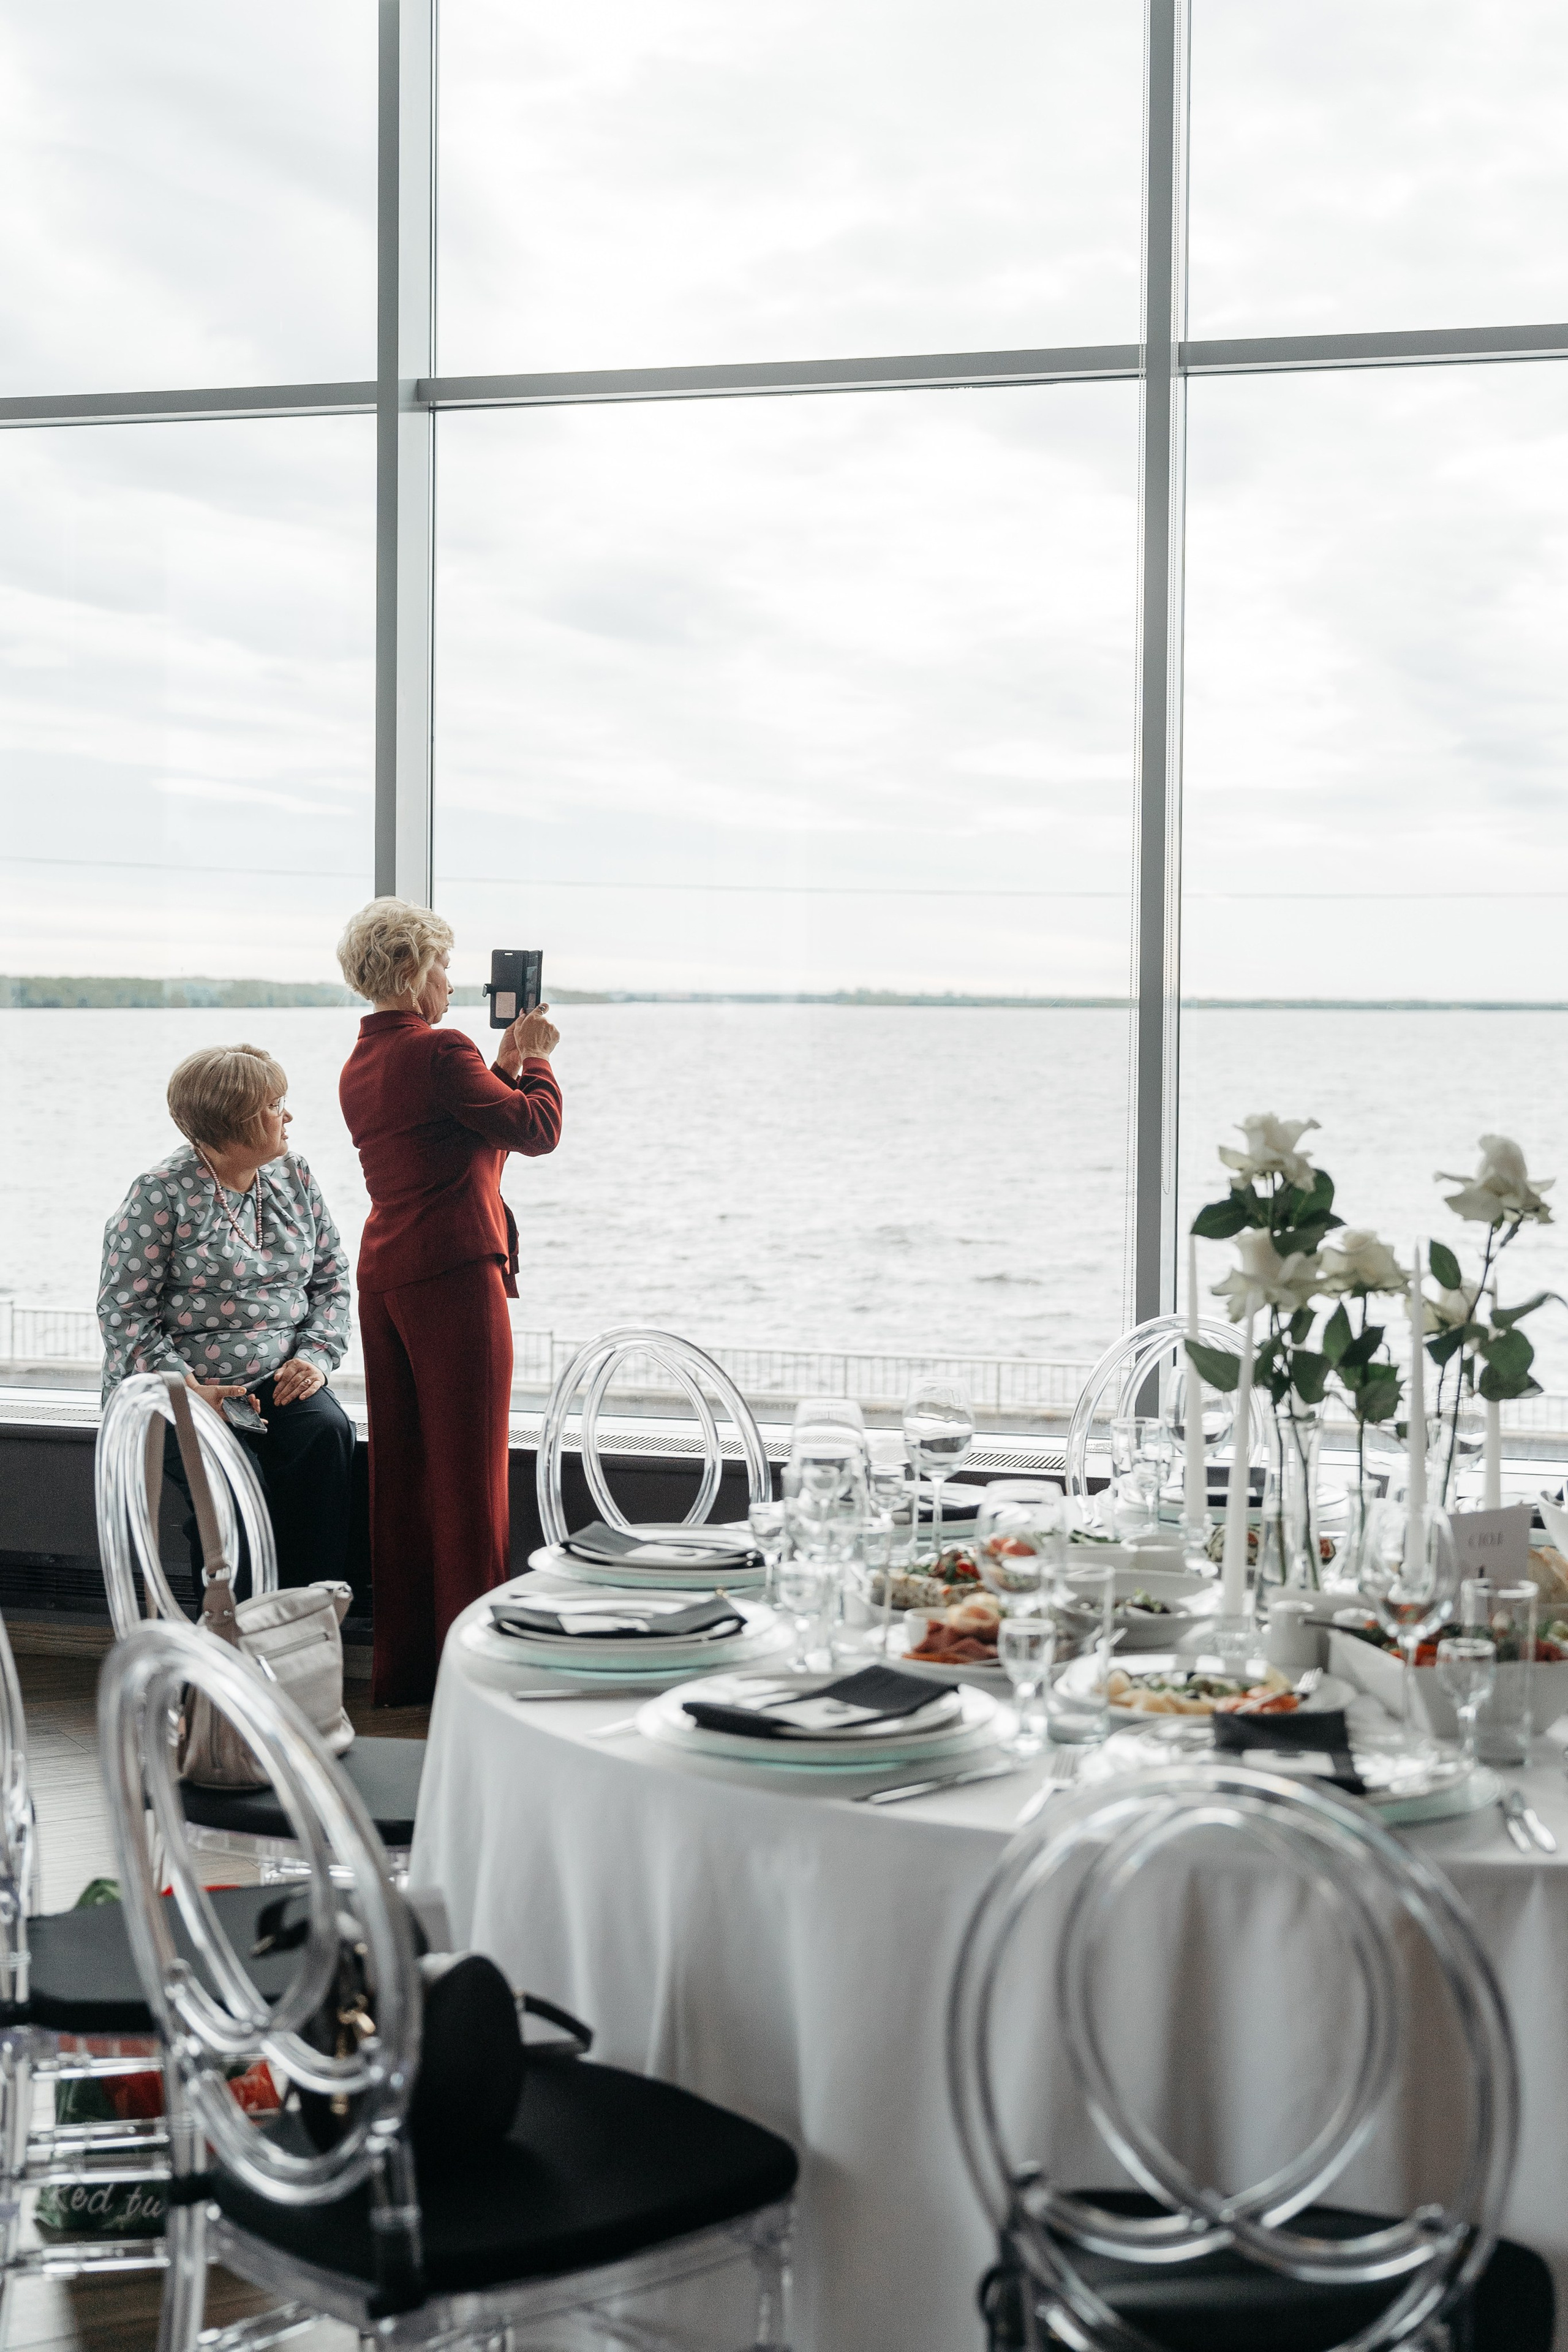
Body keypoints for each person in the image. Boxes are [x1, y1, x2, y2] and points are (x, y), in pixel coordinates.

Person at [336, 897, 562, 1706]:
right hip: (453, 1277)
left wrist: (498, 1067)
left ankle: (411, 1671)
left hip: (387, 1273)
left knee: (405, 1475)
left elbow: (463, 1140)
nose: (451, 982)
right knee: (471, 1479)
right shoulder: (438, 1051)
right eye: (442, 966)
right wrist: (533, 1060)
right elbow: (533, 1130)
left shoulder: (362, 1063)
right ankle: (478, 1676)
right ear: (411, 969)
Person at [97, 1044, 355, 1596]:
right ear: (234, 1121)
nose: (289, 1116)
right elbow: (123, 1313)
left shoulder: (295, 1176)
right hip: (180, 1390)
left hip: (279, 1377)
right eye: (274, 1105)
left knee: (329, 1439)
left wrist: (315, 1357)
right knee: (237, 1496)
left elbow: (332, 1280)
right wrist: (189, 1390)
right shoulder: (160, 1193)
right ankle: (228, 1649)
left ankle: (306, 1627)